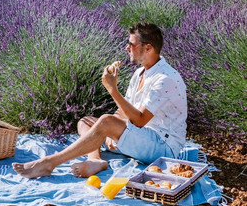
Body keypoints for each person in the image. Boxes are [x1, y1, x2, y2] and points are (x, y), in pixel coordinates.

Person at [13, 22, 187, 179]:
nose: (127, 48)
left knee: (105, 122)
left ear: (148, 48)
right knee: (86, 123)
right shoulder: (140, 72)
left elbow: (140, 120)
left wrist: (112, 89)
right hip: (140, 137)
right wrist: (114, 130)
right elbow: (123, 110)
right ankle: (95, 160)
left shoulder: (165, 78)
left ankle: (48, 163)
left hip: (163, 147)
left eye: (131, 44)